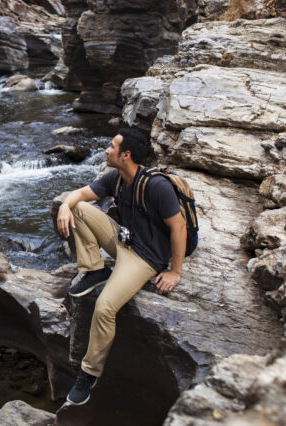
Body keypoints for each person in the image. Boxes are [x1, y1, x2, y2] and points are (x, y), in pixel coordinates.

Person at [53, 128, 186, 405]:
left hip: (144, 258)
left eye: (111, 146)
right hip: (123, 241)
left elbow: (179, 227)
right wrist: (66, 205)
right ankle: (95, 269)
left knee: (105, 307)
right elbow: (80, 194)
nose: (106, 150)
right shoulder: (116, 177)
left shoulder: (156, 186)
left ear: (126, 155)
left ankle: (88, 373)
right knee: (78, 208)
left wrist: (175, 271)